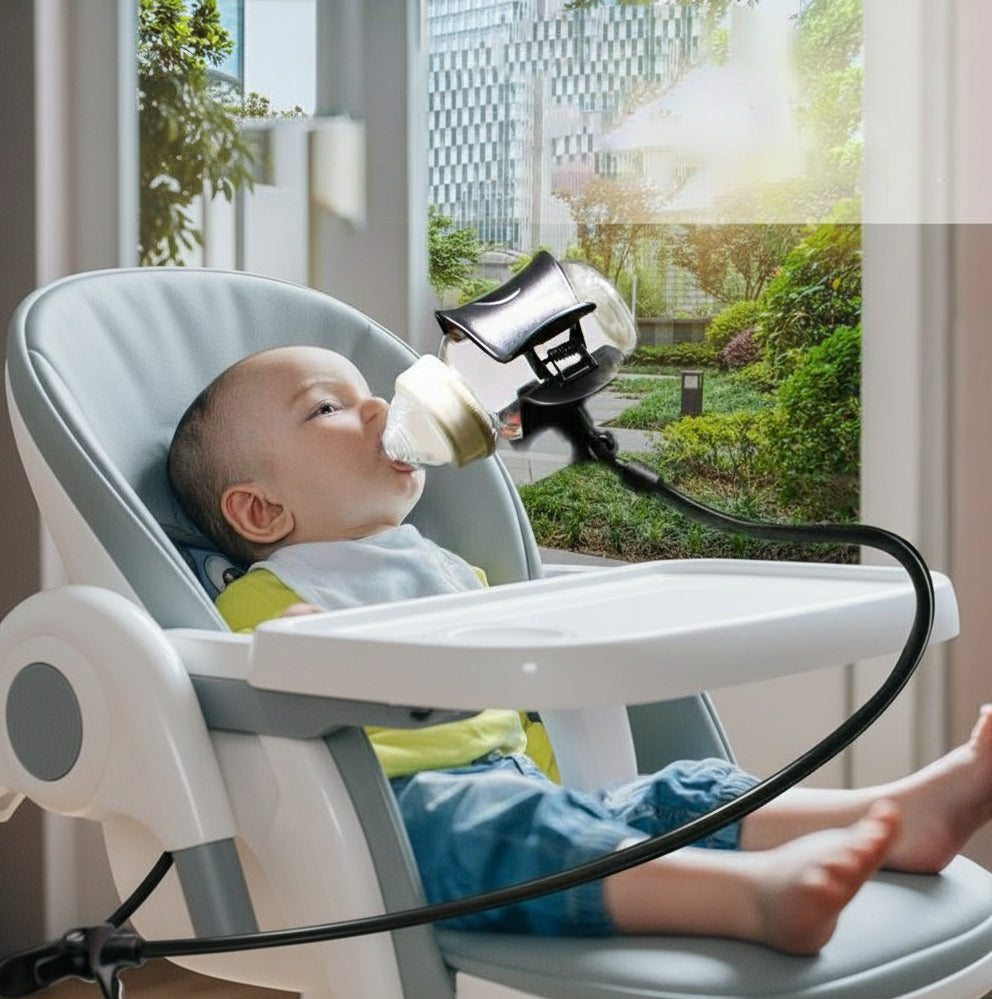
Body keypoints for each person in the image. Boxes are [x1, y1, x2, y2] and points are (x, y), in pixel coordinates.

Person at [168, 344, 992, 954]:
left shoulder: (448, 568)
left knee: (679, 793)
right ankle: (750, 898)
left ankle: (896, 817)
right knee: (523, 834)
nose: (382, 409)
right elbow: (290, 684)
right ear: (260, 512)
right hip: (394, 820)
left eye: (370, 393)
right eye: (328, 408)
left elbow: (529, 677)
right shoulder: (264, 598)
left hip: (519, 780)